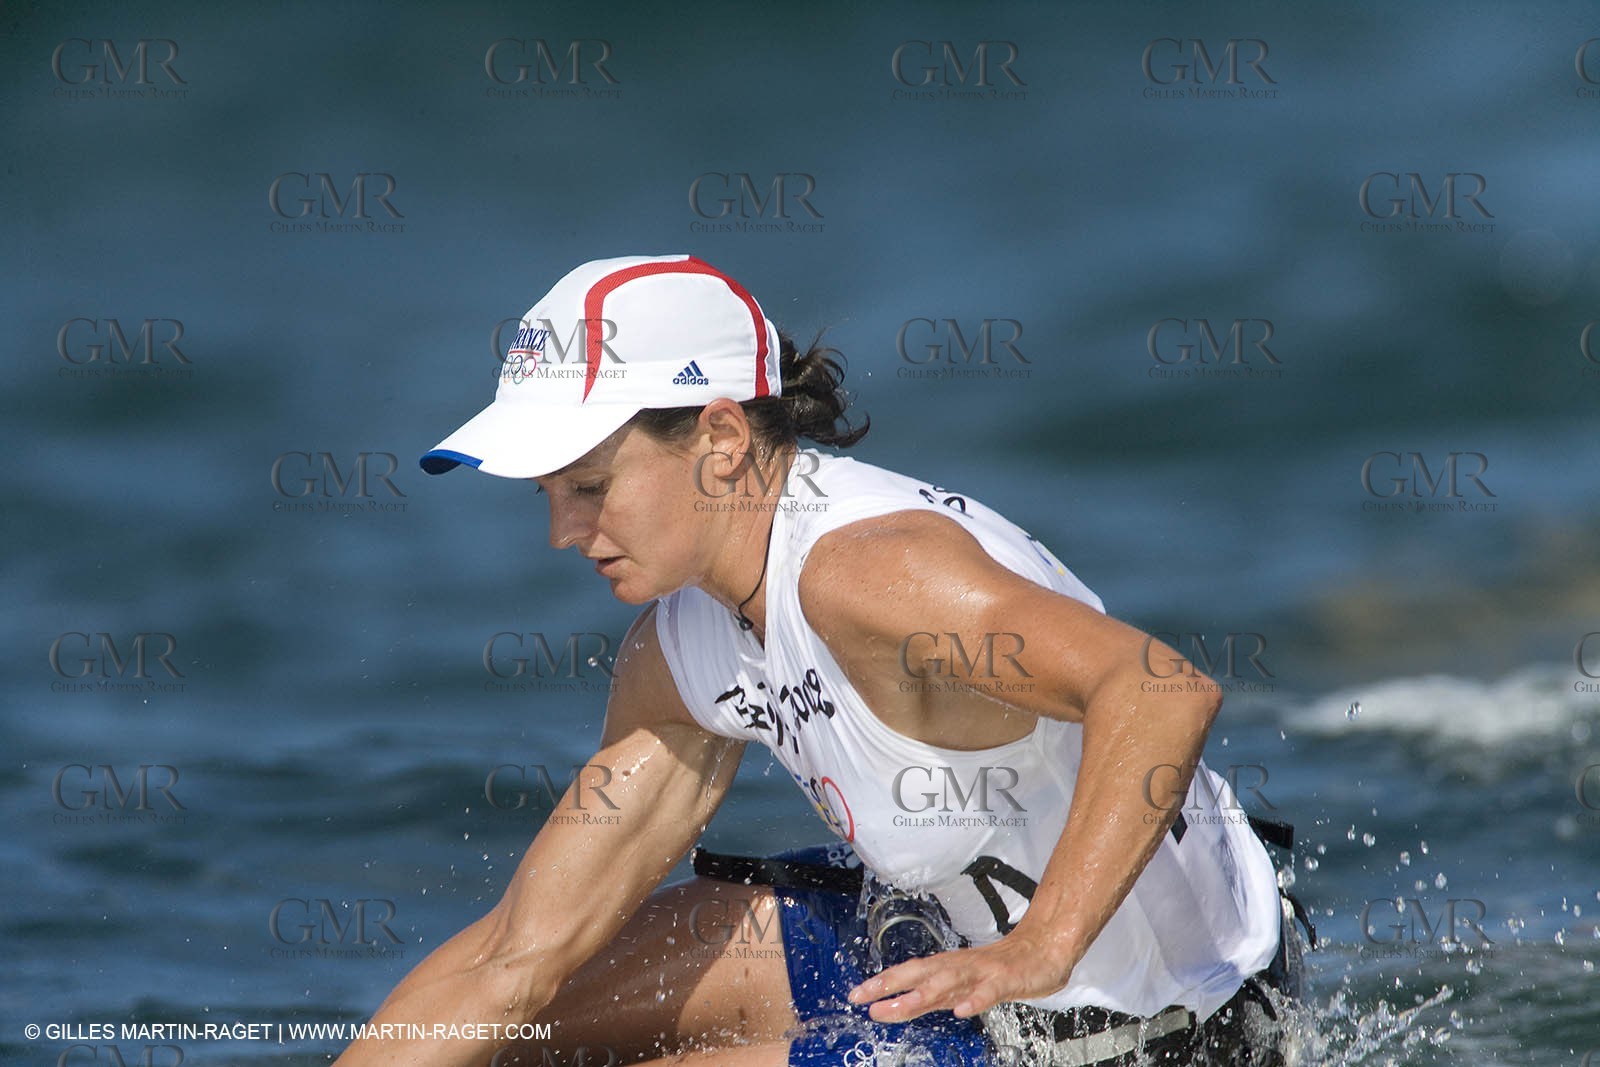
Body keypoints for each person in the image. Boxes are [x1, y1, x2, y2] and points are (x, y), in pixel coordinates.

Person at [334, 254, 1306, 1067]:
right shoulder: (678, 651)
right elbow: (514, 957)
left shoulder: (865, 572)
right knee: (522, 1031)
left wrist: (1041, 945)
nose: (561, 531)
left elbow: (1159, 688)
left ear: (720, 438)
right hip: (936, 945)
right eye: (546, 491)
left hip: (1176, 1027)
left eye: (588, 486)